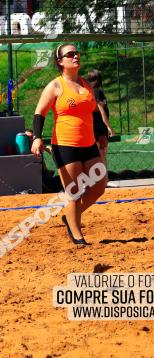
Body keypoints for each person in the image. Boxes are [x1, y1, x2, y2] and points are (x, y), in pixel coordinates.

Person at [31, 44, 107, 246]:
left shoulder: (85, 84)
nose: (75, 56)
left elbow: (94, 111)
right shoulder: (56, 86)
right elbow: (39, 113)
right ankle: (78, 236)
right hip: (66, 145)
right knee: (74, 191)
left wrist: (101, 135)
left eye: (77, 53)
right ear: (60, 61)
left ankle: (70, 216)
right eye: (70, 54)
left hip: (88, 143)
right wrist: (37, 138)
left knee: (99, 185)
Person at [85, 69, 114, 166]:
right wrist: (109, 127)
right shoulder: (97, 92)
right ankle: (102, 177)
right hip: (98, 127)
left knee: (99, 154)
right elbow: (101, 110)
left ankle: (102, 177)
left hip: (96, 127)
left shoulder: (93, 92)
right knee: (100, 153)